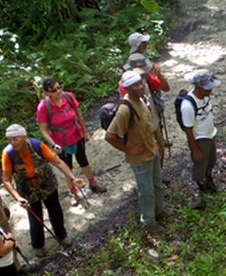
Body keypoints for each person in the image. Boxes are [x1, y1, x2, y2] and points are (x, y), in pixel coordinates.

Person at [1, 124, 86, 257]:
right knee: (35, 217)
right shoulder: (8, 154)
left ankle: (61, 235)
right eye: (9, 139)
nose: (12, 142)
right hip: (28, 190)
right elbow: (6, 180)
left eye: (15, 138)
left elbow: (57, 162)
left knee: (55, 210)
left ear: (24, 137)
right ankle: (38, 245)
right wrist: (18, 198)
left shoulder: (36, 145)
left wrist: (72, 177)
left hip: (47, 184)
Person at [105, 71, 165, 234]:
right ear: (128, 89)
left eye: (141, 83)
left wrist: (155, 144)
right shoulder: (125, 109)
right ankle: (148, 221)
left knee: (157, 185)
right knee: (146, 192)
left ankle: (160, 211)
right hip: (139, 158)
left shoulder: (142, 100)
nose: (141, 87)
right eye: (136, 85)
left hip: (151, 151)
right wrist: (128, 149)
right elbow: (109, 136)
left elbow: (147, 126)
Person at [37, 77, 106, 206]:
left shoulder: (68, 97)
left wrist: (85, 131)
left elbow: (78, 114)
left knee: (83, 160)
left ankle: (92, 183)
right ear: (47, 93)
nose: (58, 91)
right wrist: (53, 144)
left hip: (76, 135)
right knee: (67, 167)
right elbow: (44, 130)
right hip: (60, 142)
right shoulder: (44, 107)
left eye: (59, 87)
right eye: (53, 90)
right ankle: (73, 192)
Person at [180, 71, 221, 208]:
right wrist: (195, 150)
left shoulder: (205, 97)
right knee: (200, 167)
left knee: (211, 161)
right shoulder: (188, 106)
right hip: (200, 140)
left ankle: (209, 182)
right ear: (198, 87)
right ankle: (202, 194)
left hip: (210, 135)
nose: (211, 91)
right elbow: (188, 130)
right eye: (208, 88)